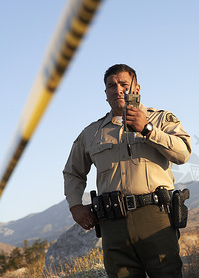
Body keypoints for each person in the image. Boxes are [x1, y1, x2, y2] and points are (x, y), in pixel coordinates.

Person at [63, 64, 191, 277]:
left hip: (155, 216)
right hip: (112, 224)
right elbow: (73, 172)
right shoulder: (91, 133)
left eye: (124, 84)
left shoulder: (160, 119)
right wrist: (75, 205)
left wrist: (148, 129)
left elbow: (183, 153)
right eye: (111, 86)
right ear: (106, 94)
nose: (118, 90)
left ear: (137, 88)